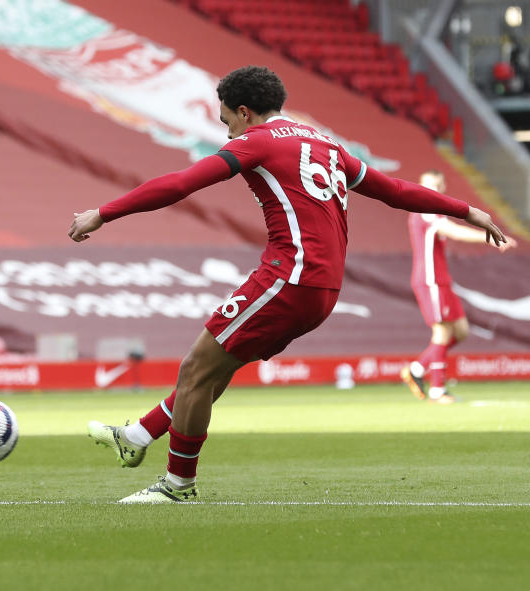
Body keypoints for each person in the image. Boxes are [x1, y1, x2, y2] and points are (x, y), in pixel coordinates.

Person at [68, 65, 507, 504]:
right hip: (323, 287)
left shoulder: (256, 142)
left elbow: (182, 183)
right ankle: (138, 434)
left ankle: (177, 485)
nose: (228, 134)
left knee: (195, 367)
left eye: (227, 122)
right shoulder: (325, 143)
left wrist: (103, 213)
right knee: (214, 369)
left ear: (244, 112)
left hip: (290, 275)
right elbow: (393, 189)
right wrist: (467, 209)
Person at [400, 170, 516, 404]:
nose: (431, 190)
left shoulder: (435, 211)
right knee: (442, 332)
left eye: (436, 186)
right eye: (427, 185)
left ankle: (417, 369)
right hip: (430, 280)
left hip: (442, 280)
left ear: (442, 189)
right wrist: (487, 235)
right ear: (420, 186)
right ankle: (437, 390)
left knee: (460, 330)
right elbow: (452, 231)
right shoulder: (425, 211)